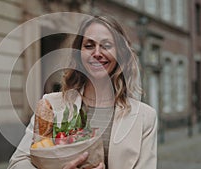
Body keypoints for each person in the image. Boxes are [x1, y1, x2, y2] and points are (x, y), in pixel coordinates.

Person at [8, 15, 157, 169]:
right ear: (79, 53)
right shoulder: (51, 105)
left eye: (106, 45)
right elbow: (17, 163)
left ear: (120, 53)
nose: (97, 53)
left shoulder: (145, 117)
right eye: (89, 45)